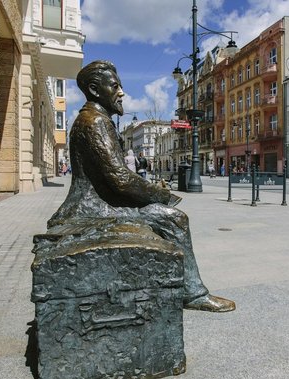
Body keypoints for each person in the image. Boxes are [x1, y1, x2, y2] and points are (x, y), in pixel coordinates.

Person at [49, 60, 234, 312]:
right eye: (115, 86)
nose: (122, 92)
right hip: (95, 207)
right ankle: (192, 293)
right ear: (94, 89)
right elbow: (120, 179)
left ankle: (173, 284)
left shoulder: (93, 119)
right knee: (174, 219)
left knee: (168, 218)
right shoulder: (95, 122)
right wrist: (162, 196)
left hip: (100, 202)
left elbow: (117, 175)